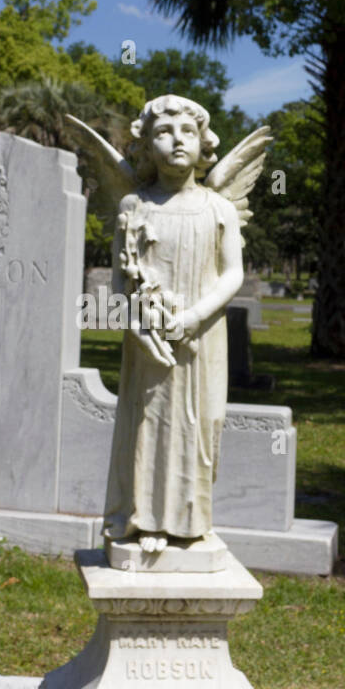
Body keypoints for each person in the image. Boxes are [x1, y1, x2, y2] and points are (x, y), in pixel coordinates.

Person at [102, 95, 244, 554]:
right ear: (145, 146)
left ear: (204, 143)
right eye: (164, 132)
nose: (177, 141)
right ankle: (146, 519)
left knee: (199, 427)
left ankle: (189, 520)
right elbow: (121, 278)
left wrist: (193, 317)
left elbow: (232, 273)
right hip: (149, 340)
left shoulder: (217, 208)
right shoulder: (133, 205)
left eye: (187, 131)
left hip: (201, 339)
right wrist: (138, 326)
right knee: (151, 424)